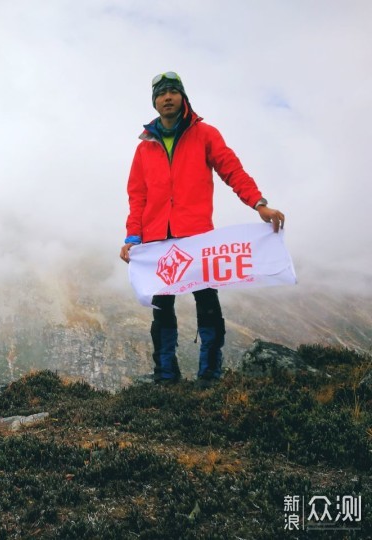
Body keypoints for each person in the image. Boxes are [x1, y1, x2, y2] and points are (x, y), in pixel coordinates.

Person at [119, 71, 286, 388]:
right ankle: (166, 375)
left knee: (207, 302)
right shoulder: (144, 149)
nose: (167, 97)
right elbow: (137, 197)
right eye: (161, 93)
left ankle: (209, 374)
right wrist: (132, 237)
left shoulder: (205, 134)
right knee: (161, 307)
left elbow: (231, 169)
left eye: (172, 92)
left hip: (196, 237)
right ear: (154, 102)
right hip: (157, 242)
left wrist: (259, 203)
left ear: (182, 97)